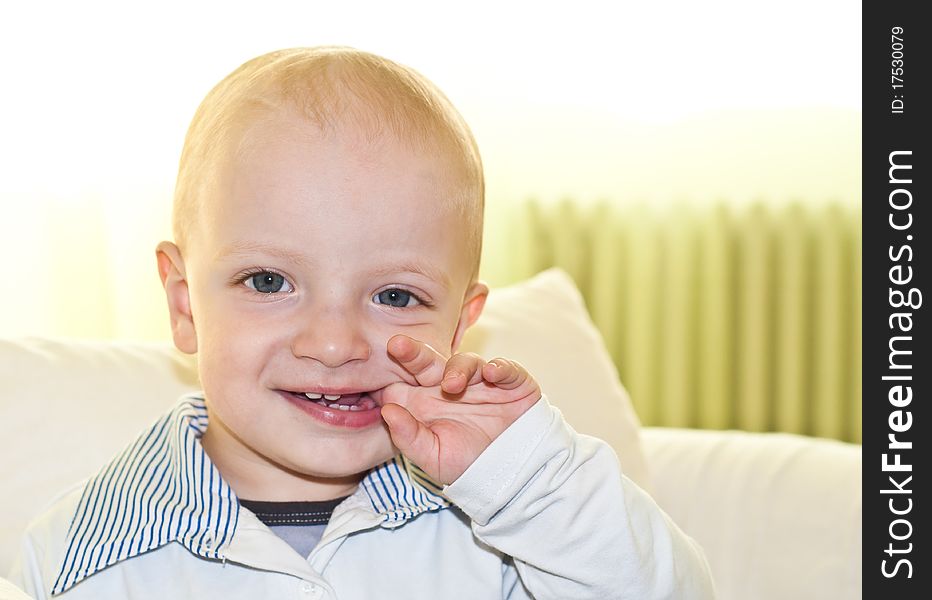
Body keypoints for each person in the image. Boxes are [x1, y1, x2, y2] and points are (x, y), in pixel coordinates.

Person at [9, 46, 715, 599]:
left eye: (395, 297)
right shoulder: (81, 558)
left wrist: (528, 478)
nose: (335, 344)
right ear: (185, 304)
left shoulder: (505, 526)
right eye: (268, 281)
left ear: (459, 328)